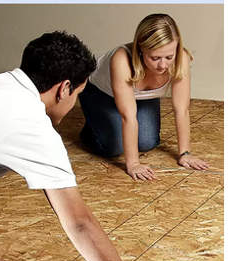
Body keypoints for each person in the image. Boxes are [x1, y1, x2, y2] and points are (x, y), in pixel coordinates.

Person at [0, 31, 157, 261]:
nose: (74, 103)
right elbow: (78, 222)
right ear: (64, 88)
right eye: (78, 95)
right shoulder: (29, 124)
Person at [79, 13, 209, 181]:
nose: (162, 65)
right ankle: (93, 127)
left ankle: (104, 124)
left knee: (147, 143)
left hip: (141, 97)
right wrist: (133, 163)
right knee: (114, 147)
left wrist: (185, 154)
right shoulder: (121, 59)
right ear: (140, 49)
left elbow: (181, 109)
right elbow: (128, 116)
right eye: (155, 58)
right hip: (101, 93)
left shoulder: (180, 58)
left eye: (169, 57)